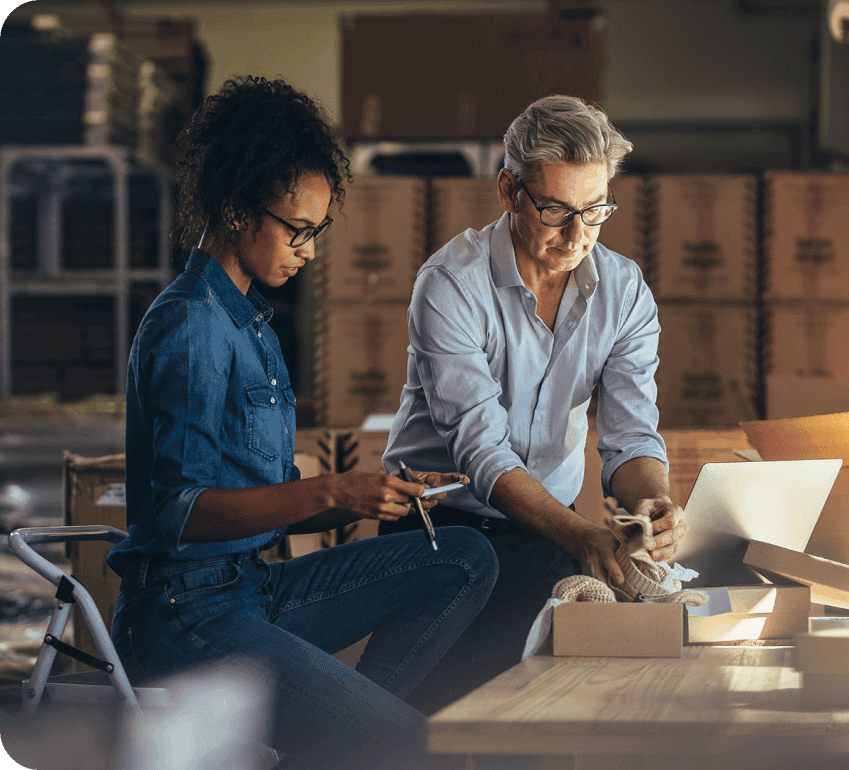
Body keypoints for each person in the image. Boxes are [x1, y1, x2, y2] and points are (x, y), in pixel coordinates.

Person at [106, 75, 498, 770]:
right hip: (182, 615)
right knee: (405, 741)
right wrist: (333, 493)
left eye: (318, 231)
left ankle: (340, 740)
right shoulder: (194, 324)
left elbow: (272, 508)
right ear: (234, 210)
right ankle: (359, 739)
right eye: (297, 230)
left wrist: (381, 490)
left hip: (250, 589)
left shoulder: (251, 321)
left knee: (465, 556)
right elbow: (178, 513)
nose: (309, 250)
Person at [380, 95, 689, 719]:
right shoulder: (449, 285)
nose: (577, 235)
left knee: (534, 721)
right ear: (508, 190)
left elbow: (630, 438)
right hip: (435, 534)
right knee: (425, 728)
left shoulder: (624, 293)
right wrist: (580, 534)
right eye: (555, 210)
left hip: (546, 532)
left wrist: (652, 500)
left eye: (595, 211)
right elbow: (482, 452)